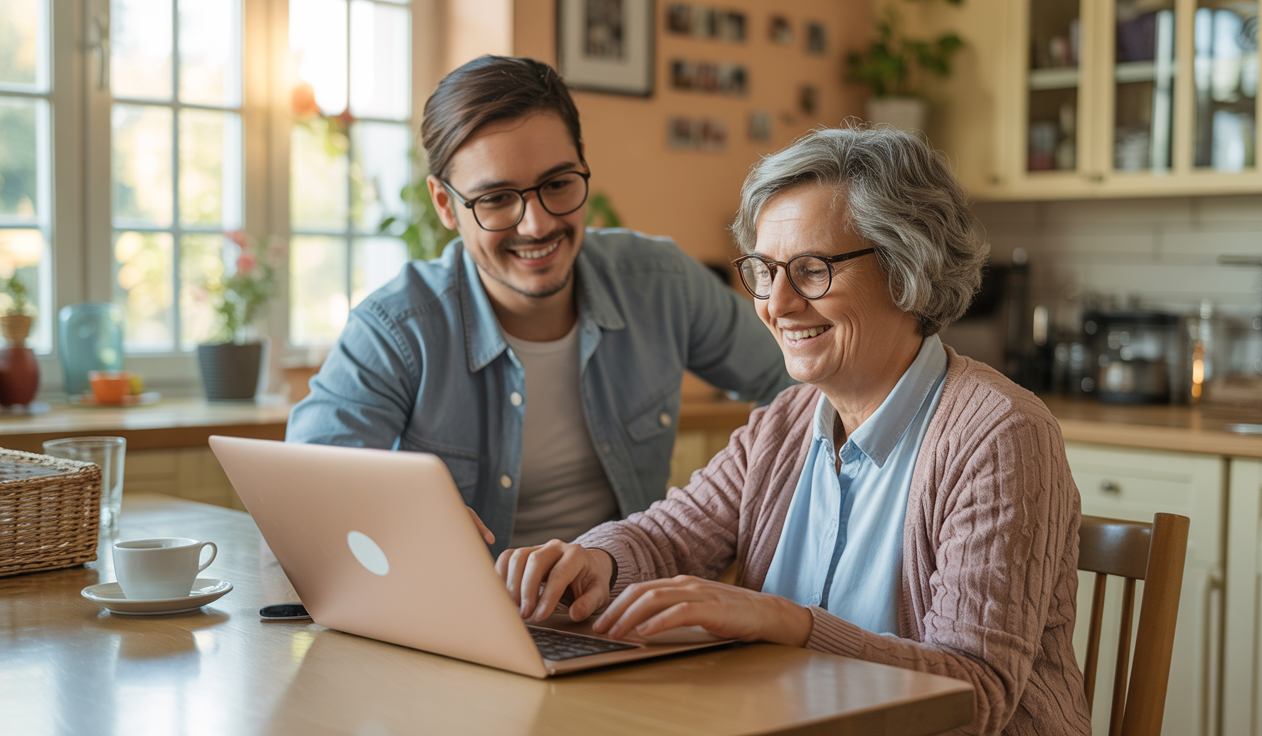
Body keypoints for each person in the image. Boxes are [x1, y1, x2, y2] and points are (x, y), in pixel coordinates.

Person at [498, 127, 1091, 736]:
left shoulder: (999, 436)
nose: (776, 304)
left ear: (906, 267)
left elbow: (977, 695)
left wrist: (786, 623)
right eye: (763, 269)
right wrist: (595, 559)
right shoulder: (784, 422)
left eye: (810, 270)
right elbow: (668, 539)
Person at [286, 56, 792, 555]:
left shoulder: (660, 283)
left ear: (582, 162)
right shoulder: (397, 328)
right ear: (445, 205)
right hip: (462, 620)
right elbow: (305, 494)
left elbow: (802, 383)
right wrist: (393, 511)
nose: (536, 225)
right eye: (497, 198)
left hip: (624, 609)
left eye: (557, 184)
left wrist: (742, 502)